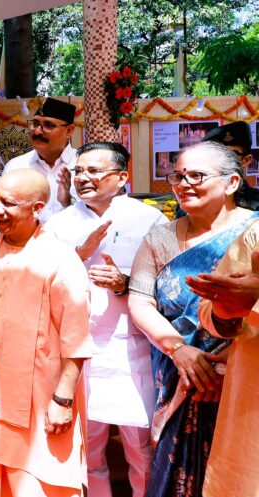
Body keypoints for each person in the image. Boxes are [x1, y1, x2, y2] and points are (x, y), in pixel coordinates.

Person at [0, 169, 92, 497]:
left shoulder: (60, 260)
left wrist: (62, 401)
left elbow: (77, 338)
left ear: (37, 208)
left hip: (42, 398)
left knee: (42, 485)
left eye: (8, 203)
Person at [127, 141, 259, 497]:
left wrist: (223, 365)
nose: (183, 184)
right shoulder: (159, 237)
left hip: (242, 376)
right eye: (178, 176)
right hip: (177, 375)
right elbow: (140, 302)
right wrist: (180, 351)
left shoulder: (254, 234)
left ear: (232, 183)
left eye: (196, 176)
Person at [45, 142, 167, 497]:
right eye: (79, 171)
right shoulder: (59, 224)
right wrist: (75, 256)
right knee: (88, 449)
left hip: (133, 351)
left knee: (141, 448)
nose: (84, 178)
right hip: (79, 355)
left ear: (122, 177)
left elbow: (169, 287)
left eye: (94, 171)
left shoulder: (150, 220)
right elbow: (41, 281)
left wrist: (125, 284)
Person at [185, 220, 259, 497]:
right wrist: (223, 313)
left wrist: (255, 302)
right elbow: (210, 310)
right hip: (250, 403)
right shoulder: (256, 233)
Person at [3, 97, 77, 222]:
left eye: (48, 125)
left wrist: (68, 202)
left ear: (69, 131)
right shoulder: (16, 167)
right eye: (35, 124)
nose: (37, 131)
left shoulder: (83, 166)